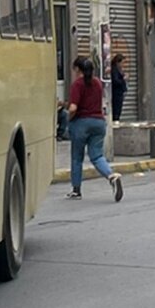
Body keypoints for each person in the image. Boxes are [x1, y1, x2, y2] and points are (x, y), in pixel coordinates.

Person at [66, 58, 124, 202]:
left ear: (77, 69)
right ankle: (111, 176)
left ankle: (76, 190)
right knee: (97, 156)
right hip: (98, 123)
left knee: (77, 158)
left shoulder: (77, 84)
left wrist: (68, 118)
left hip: (81, 123)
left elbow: (73, 108)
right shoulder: (97, 82)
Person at [110, 54, 128, 122]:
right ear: (118, 62)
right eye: (122, 63)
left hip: (119, 93)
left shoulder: (118, 70)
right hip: (117, 93)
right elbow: (115, 81)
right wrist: (124, 79)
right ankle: (116, 120)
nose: (123, 65)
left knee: (118, 109)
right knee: (117, 109)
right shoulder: (114, 70)